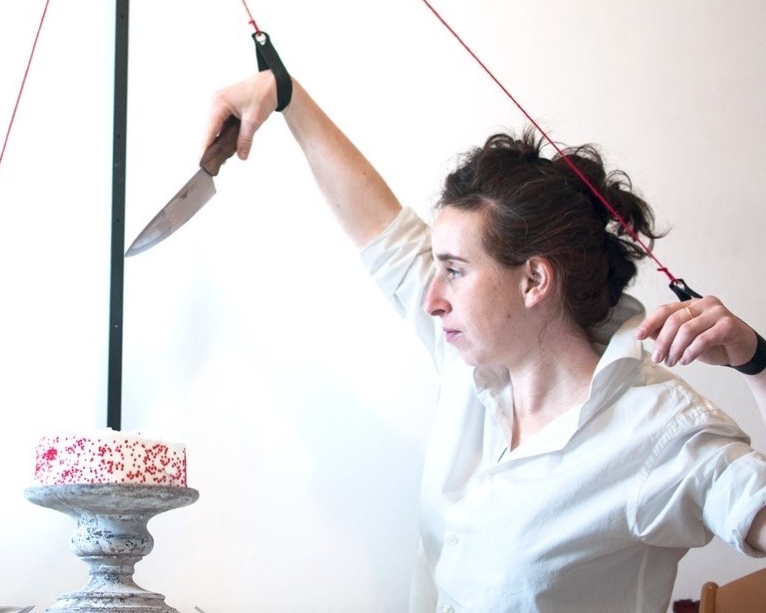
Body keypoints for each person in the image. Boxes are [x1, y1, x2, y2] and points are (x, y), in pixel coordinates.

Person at [206, 70, 766, 611]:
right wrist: (286, 95)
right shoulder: (474, 362)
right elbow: (380, 231)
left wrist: (758, 362)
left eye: (453, 270)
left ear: (534, 281)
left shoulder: (659, 429)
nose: (431, 298)